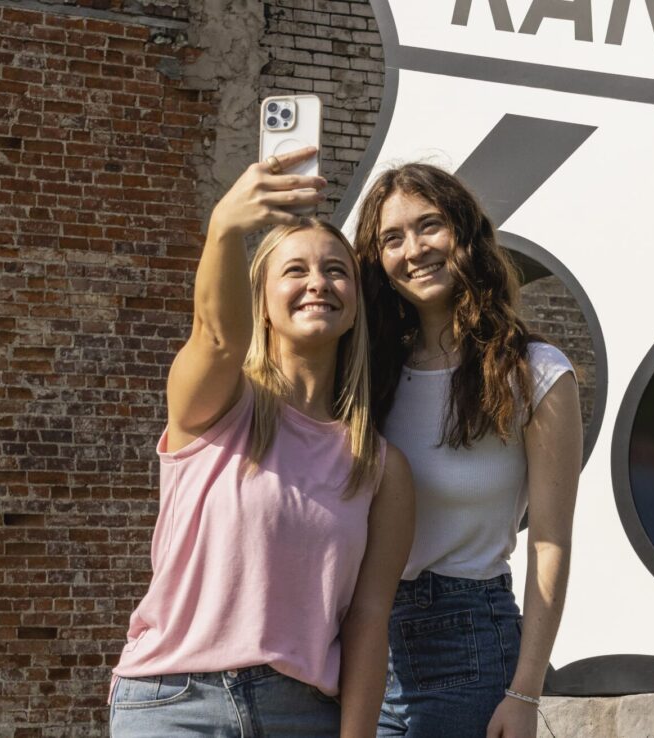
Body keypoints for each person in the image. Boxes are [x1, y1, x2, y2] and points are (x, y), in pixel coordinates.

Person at [109, 147, 414, 738]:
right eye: (294, 270)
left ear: (354, 305)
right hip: (175, 703)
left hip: (303, 714)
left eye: (335, 270)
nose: (317, 283)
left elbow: (369, 621)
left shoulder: (381, 467)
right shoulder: (220, 406)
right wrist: (225, 226)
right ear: (263, 303)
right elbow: (217, 339)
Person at [354, 163, 584, 738]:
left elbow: (551, 542)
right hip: (359, 640)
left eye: (429, 226)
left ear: (464, 231)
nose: (414, 249)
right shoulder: (366, 376)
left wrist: (525, 691)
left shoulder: (533, 372)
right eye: (391, 238)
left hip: (468, 644)